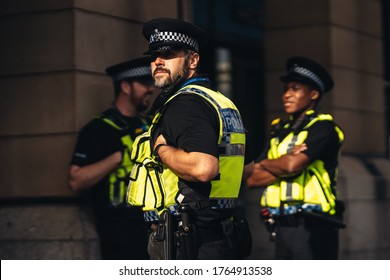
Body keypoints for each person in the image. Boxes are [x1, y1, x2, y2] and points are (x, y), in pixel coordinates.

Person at [127, 18, 254, 260]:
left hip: (189, 241)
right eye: (153, 55)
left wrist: (161, 150)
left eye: (168, 54)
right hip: (220, 234)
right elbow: (246, 169)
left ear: (193, 60)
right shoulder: (220, 102)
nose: (158, 61)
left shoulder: (184, 104)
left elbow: (203, 168)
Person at [246, 56, 345, 260]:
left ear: (314, 94)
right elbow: (252, 178)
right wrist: (284, 162)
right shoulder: (279, 131)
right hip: (281, 225)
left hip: (314, 225)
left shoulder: (324, 128)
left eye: (295, 88)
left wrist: (272, 164)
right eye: (285, 89)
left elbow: (292, 165)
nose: (287, 95)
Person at [68, 57, 156, 260]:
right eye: (144, 83)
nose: (150, 89)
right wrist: (116, 158)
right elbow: (75, 180)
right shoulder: (99, 128)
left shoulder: (149, 126)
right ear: (125, 86)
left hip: (153, 228)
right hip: (118, 233)